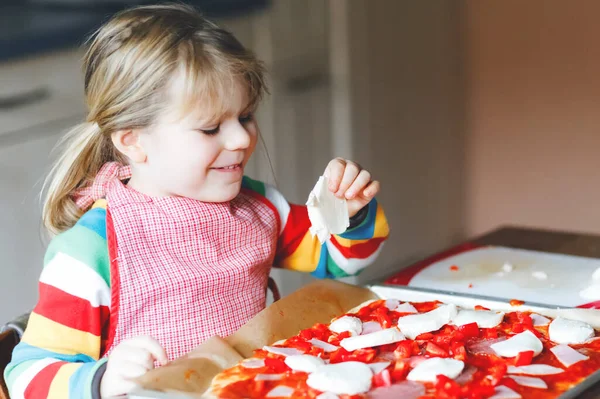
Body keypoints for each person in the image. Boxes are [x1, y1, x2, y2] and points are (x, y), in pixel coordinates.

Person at [5, 4, 389, 398]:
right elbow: (25, 377)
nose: (241, 140)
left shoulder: (258, 206)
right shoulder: (91, 251)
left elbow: (343, 262)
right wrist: (102, 378)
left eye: (245, 117)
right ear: (133, 140)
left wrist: (348, 211)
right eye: (210, 128)